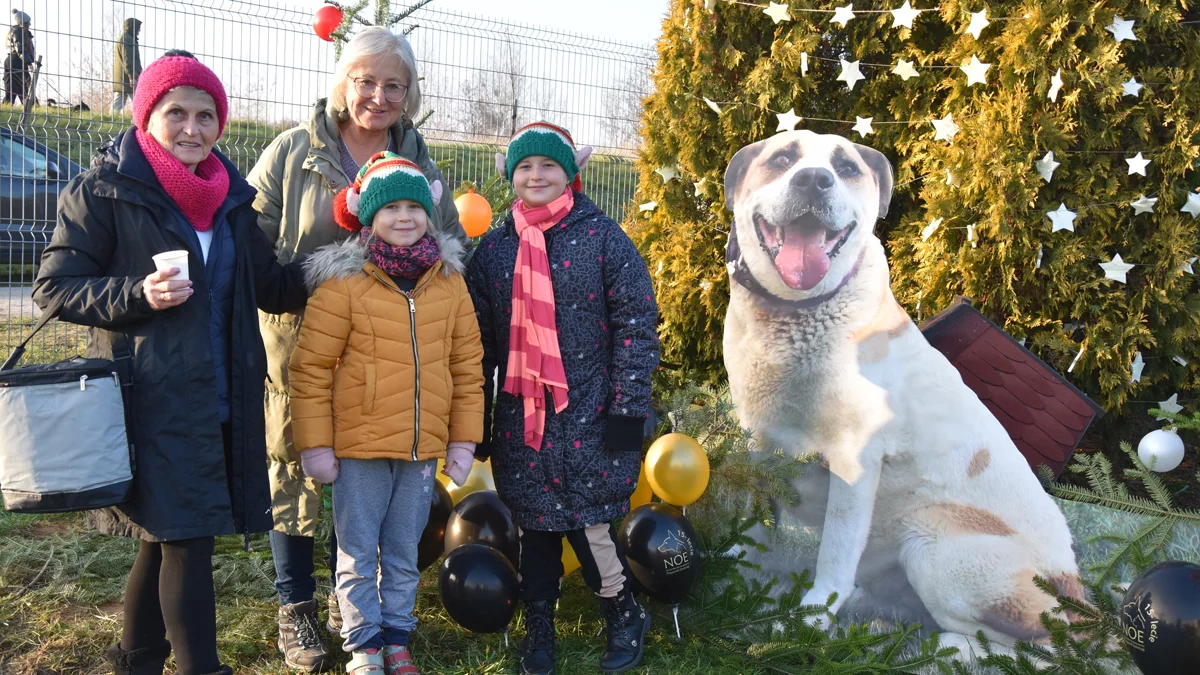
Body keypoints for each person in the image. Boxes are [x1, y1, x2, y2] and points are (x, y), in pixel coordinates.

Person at [32, 52, 310, 675]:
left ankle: (134, 659)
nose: (192, 127)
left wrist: (353, 251)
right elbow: (54, 288)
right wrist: (137, 293)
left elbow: (274, 288)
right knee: (188, 540)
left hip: (224, 394)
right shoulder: (104, 191)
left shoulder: (234, 202)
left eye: (206, 115)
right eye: (176, 112)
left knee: (165, 539)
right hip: (151, 397)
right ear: (146, 116)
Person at [249, 26, 467, 673]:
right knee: (294, 466)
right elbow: (253, 229)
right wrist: (287, 282)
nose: (377, 94)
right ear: (344, 82)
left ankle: (360, 614)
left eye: (392, 84)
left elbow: (450, 243)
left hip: (387, 357)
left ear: (408, 93)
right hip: (301, 339)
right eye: (365, 80)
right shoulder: (294, 152)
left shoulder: (421, 162)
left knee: (364, 478)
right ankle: (296, 606)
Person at [465, 122, 660, 675]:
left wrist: (627, 409)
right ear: (511, 175)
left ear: (570, 172)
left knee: (591, 523)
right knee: (535, 528)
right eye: (525, 167)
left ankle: (622, 611)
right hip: (522, 418)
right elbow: (475, 342)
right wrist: (476, 418)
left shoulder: (602, 238)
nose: (536, 176)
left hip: (592, 413)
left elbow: (635, 324)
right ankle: (539, 627)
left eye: (548, 166)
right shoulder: (495, 251)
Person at [289, 151, 484, 675]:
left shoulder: (449, 283)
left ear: (429, 212)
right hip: (359, 449)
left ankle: (397, 639)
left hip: (420, 451)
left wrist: (462, 441)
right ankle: (363, 646)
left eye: (414, 207)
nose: (404, 217)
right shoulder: (344, 286)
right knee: (356, 552)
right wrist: (317, 445)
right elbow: (311, 369)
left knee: (403, 551)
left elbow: (467, 365)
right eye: (390, 207)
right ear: (368, 217)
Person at [4, 9, 34, 105]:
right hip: (17, 60)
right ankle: (32, 108)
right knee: (25, 85)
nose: (29, 24)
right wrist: (28, 62)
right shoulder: (19, 31)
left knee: (15, 88)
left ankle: (9, 107)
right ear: (23, 23)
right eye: (28, 23)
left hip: (16, 60)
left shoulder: (18, 31)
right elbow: (19, 48)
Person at [113, 18, 143, 112]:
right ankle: (139, 120)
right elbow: (128, 59)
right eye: (138, 28)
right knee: (138, 100)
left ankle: (111, 119)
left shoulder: (123, 37)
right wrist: (132, 76)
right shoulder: (128, 39)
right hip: (128, 76)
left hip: (121, 76)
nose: (140, 30)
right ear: (133, 27)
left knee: (119, 100)